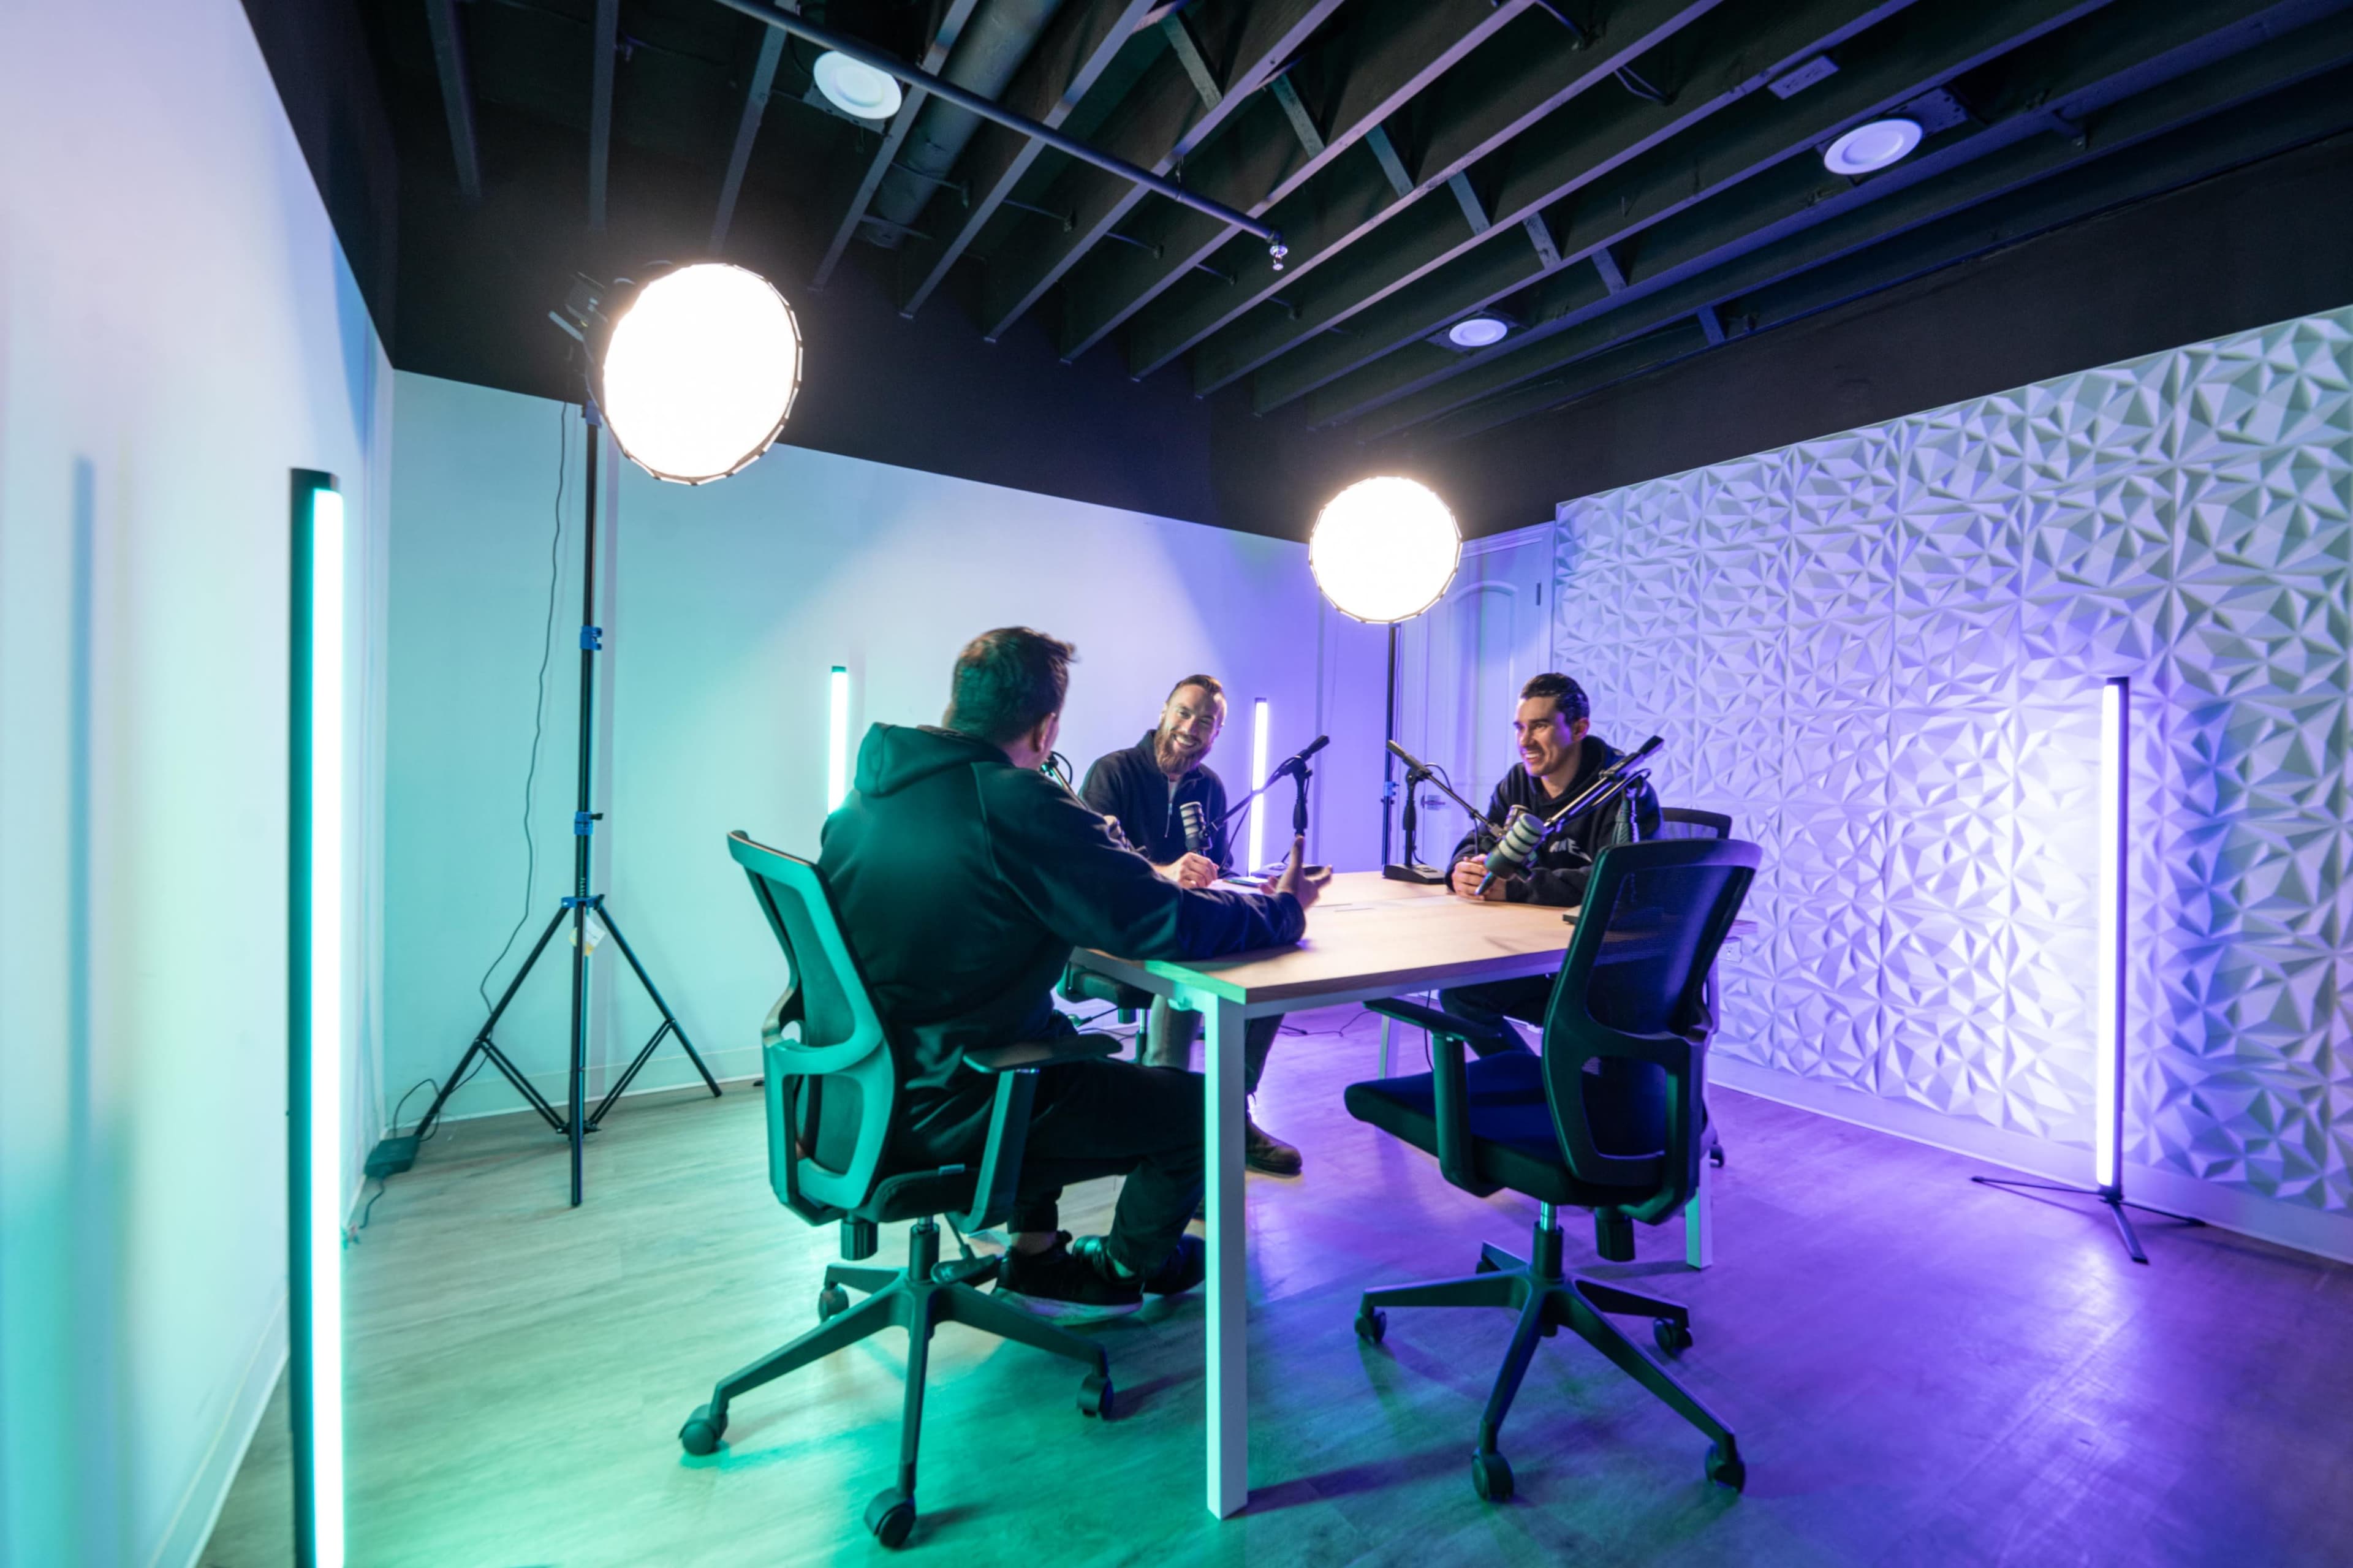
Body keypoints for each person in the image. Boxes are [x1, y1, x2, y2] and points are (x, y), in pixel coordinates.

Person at [819, 629, 1322, 1314]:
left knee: (1046, 1034)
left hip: (852, 1091)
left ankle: (1035, 1254)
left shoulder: (864, 801)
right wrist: (1284, 911)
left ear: (957, 703)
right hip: (955, 1100)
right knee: (1204, 1111)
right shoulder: (1018, 801)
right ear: (1046, 727)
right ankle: (1123, 1269)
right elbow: (1161, 922)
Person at [1080, 676, 1302, 1176]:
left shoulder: (1211, 787)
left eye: (1206, 721)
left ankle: (1231, 1111)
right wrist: (1164, 872)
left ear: (1217, 733)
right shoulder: (1114, 771)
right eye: (1184, 713)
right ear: (1164, 712)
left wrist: (1252, 890)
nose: (1191, 727)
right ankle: (1165, 1139)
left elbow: (1218, 869)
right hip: (1121, 928)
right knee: (1184, 963)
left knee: (1272, 957)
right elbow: (1092, 868)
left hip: (1184, 925)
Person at [1439, 672, 1661, 1053]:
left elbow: (1620, 882)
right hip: (1541, 951)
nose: (1525, 741)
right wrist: (1462, 870)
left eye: (1539, 726)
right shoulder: (1517, 783)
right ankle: (1527, 1077)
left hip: (1609, 971)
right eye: (1520, 728)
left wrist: (1518, 889)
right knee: (1462, 995)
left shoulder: (1625, 790)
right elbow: (1478, 840)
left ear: (1579, 729)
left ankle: (1559, 1084)